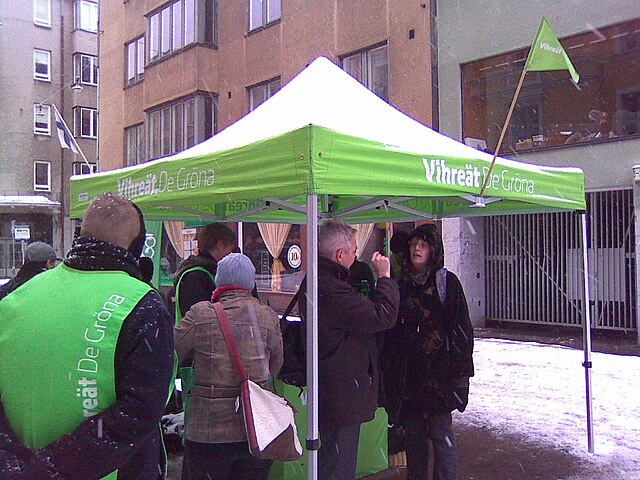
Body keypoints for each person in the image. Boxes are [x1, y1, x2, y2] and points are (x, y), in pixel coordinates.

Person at [0, 193, 175, 479]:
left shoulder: (15, 298)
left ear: (81, 235)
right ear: (136, 248)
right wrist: (52, 467)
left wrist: (19, 464)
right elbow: (139, 412)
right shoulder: (142, 305)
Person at [300, 219, 399, 480]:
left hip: (333, 387)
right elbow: (382, 316)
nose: (356, 256)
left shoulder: (318, 280)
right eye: (354, 250)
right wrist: (385, 277)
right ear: (340, 255)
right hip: (340, 390)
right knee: (337, 465)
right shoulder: (330, 289)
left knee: (333, 459)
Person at [174, 253, 283, 480]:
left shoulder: (200, 314)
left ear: (218, 280)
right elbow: (275, 365)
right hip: (255, 428)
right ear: (251, 283)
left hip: (208, 431)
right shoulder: (268, 316)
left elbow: (172, 352)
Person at [382, 223, 474, 480]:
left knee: (441, 439)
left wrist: (461, 378)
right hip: (410, 381)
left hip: (439, 381)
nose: (416, 248)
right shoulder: (402, 284)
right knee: (414, 443)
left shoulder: (446, 283)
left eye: (422, 244)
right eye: (413, 244)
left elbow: (462, 332)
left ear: (434, 249)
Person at [174, 223, 236, 321]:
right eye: (229, 249)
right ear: (220, 245)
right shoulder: (196, 276)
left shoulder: (203, 271)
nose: (230, 255)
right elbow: (199, 319)